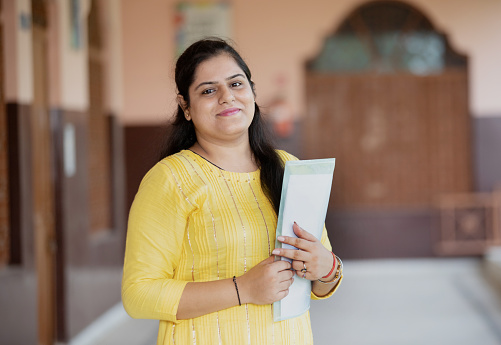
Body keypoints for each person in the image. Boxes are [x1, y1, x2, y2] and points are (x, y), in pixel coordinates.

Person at [121, 38, 343, 345]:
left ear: (252, 91)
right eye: (208, 90)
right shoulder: (170, 179)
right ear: (185, 106)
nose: (227, 98)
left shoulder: (288, 168)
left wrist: (328, 267)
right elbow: (138, 294)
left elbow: (319, 280)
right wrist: (243, 289)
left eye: (236, 84)